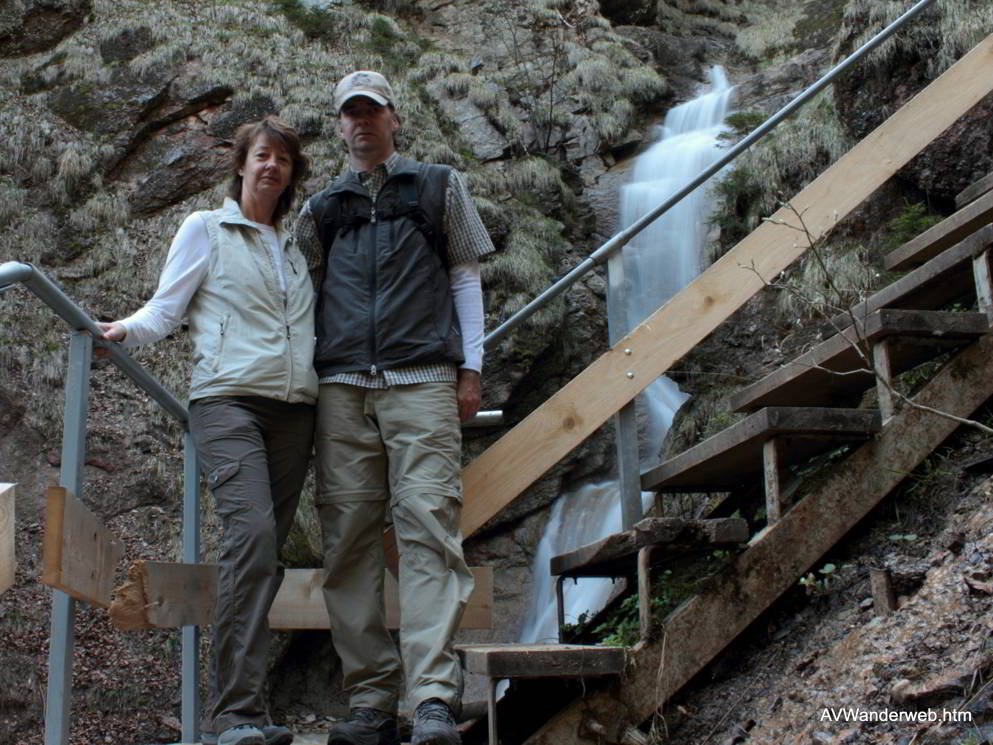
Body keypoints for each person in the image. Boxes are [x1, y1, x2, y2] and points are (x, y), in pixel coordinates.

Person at [98, 117, 316, 745]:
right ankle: (235, 716)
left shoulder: (297, 246)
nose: (271, 166)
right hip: (227, 401)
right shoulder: (206, 228)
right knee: (251, 533)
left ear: (292, 174)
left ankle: (251, 711)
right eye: (261, 156)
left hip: (296, 410)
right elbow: (167, 306)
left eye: (283, 159)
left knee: (265, 556)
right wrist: (124, 331)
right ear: (242, 165)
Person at [294, 70, 494, 745]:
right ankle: (371, 701)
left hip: (423, 380)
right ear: (339, 125)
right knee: (347, 539)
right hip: (341, 388)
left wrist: (471, 369)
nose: (361, 123)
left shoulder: (439, 186)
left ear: (392, 118)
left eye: (371, 111)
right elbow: (299, 301)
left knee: (430, 529)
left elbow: (465, 276)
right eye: (349, 113)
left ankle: (433, 697)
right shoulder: (320, 209)